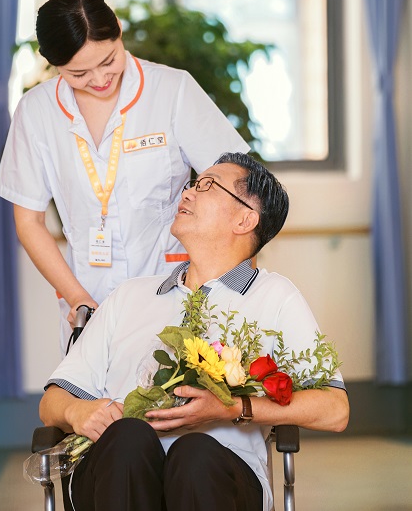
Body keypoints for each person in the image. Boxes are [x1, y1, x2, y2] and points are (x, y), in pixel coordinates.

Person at [40, 152, 350, 511]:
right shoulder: (129, 295)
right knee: (128, 437)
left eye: (207, 186)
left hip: (219, 476)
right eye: (192, 184)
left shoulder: (275, 297)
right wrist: (78, 412)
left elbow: (335, 410)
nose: (187, 193)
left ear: (245, 219)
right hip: (116, 471)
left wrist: (232, 407)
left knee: (195, 454)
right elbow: (52, 402)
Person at [0, 0, 250, 351]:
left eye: (109, 60)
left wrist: (234, 289)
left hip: (176, 286)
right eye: (79, 73)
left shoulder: (172, 90)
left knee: (177, 384)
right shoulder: (36, 112)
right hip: (90, 298)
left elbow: (237, 188)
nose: (100, 79)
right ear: (53, 63)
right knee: (94, 386)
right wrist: (76, 296)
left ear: (117, 28)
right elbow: (29, 221)